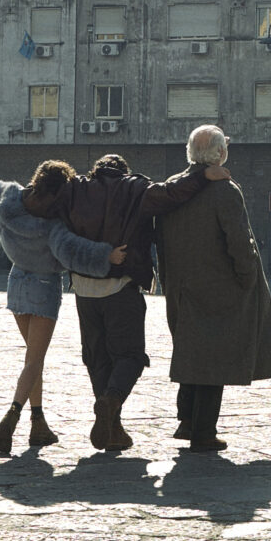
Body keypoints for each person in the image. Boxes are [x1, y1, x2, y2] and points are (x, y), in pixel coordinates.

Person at [0, 135, 112, 456]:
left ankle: (38, 423)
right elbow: (72, 252)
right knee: (34, 359)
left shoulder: (6, 197)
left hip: (16, 283)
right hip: (44, 289)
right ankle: (11, 417)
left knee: (32, 358)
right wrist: (106, 256)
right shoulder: (54, 224)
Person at [49, 152, 228, 453]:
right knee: (130, 356)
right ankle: (111, 402)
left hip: (83, 288)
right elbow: (172, 194)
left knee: (97, 357)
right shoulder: (136, 189)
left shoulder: (75, 189)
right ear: (124, 171)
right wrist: (202, 176)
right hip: (122, 285)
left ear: (96, 170)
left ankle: (112, 428)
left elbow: (44, 204)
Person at [150, 125, 271, 453]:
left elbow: (161, 242)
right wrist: (247, 277)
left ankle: (186, 420)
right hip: (219, 288)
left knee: (190, 353)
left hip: (181, 287)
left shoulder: (175, 188)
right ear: (221, 153)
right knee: (214, 359)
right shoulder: (225, 190)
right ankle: (203, 432)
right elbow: (240, 241)